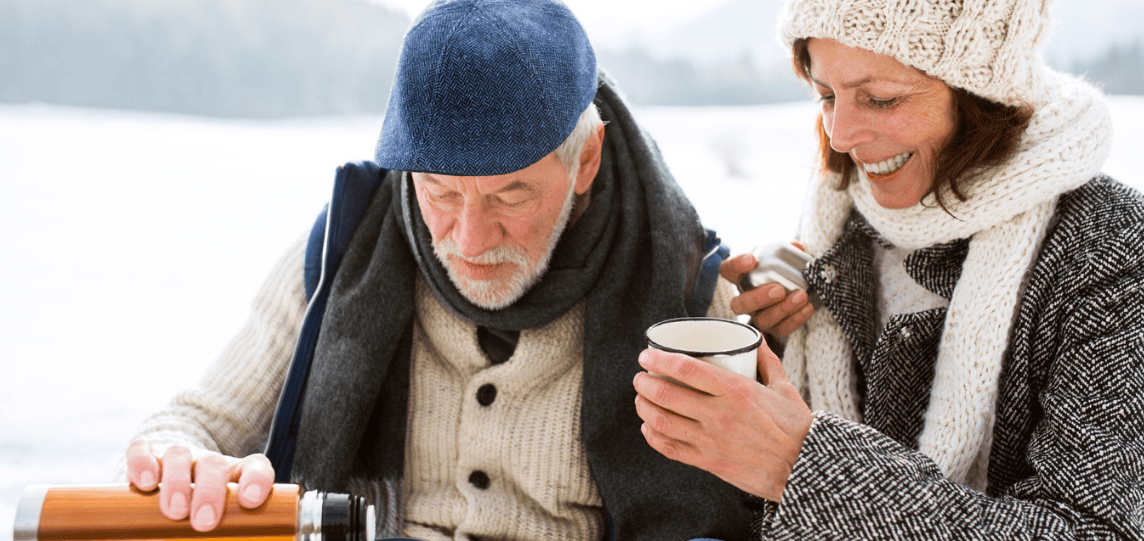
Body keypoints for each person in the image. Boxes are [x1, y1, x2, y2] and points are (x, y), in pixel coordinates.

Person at [120, 1, 755, 540]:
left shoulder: (687, 294)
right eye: (440, 193)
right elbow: (193, 422)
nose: (470, 240)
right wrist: (180, 458)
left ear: (586, 161)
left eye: (511, 196)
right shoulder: (339, 253)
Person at [632, 0, 1144, 538]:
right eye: (826, 94)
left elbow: (1094, 531)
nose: (841, 135)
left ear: (981, 96)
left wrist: (797, 464)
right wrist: (775, 350)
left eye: (879, 99)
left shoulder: (1116, 248)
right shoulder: (841, 216)